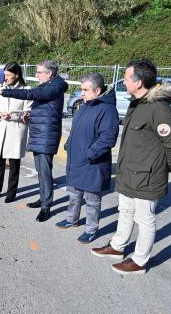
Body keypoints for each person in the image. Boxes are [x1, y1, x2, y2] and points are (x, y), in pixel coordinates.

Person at [91, 60, 171, 274]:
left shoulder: (158, 109)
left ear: (139, 82)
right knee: (125, 211)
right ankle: (117, 247)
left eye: (126, 77)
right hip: (130, 173)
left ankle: (140, 261)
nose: (123, 81)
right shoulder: (138, 103)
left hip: (147, 177)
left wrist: (162, 168)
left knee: (145, 220)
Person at [0, 60, 68, 222]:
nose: (36, 75)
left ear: (49, 73)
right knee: (40, 171)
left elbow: (32, 96)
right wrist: (29, 115)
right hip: (40, 133)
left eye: (39, 72)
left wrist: (4, 93)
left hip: (46, 134)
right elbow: (37, 106)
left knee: (44, 172)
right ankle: (43, 199)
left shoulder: (54, 87)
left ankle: (46, 207)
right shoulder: (49, 85)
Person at [57, 73, 119, 244]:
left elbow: (107, 138)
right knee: (74, 195)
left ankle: (91, 230)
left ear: (97, 90)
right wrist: (69, 144)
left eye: (85, 90)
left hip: (93, 163)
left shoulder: (107, 110)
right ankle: (72, 219)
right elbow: (75, 130)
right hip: (77, 160)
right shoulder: (84, 106)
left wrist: (89, 154)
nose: (81, 93)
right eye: (81, 89)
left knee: (92, 200)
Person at [0, 62, 32, 203]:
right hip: (1, 128)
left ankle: (11, 193)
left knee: (14, 164)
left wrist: (12, 116)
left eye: (8, 75)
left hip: (16, 130)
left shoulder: (26, 90)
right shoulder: (0, 88)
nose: (5, 77)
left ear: (17, 75)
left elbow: (28, 111)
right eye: (4, 74)